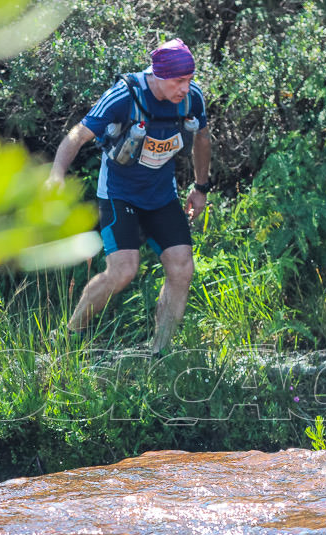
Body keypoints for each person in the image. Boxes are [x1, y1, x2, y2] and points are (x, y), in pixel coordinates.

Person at [48, 38, 212, 354]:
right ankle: (69, 334)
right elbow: (77, 135)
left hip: (161, 195)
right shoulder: (125, 96)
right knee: (123, 270)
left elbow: (202, 138)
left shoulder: (192, 99)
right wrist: (56, 173)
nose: (185, 88)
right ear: (159, 75)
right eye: (179, 80)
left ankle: (159, 352)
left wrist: (200, 187)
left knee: (182, 266)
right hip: (119, 193)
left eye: (190, 79)